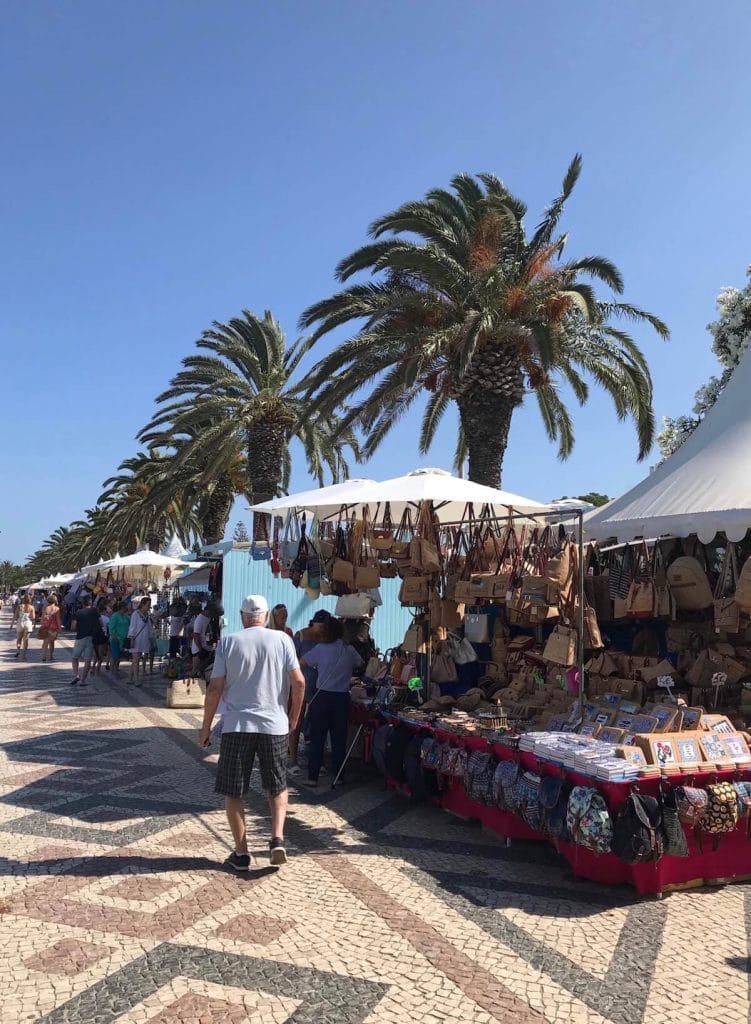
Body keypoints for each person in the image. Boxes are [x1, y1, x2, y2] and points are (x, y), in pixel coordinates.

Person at [198, 594, 305, 872]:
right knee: (277, 785)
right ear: (267, 616)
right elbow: (299, 682)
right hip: (275, 726)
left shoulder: (229, 642)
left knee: (234, 791)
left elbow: (214, 688)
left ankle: (242, 852)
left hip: (237, 726)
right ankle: (277, 839)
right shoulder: (283, 640)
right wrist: (293, 717)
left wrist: (206, 727)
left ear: (243, 616)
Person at [301, 617, 363, 789]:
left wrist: (317, 669)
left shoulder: (320, 649)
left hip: (322, 697)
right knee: (339, 739)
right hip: (342, 698)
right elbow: (360, 663)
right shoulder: (348, 650)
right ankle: (339, 775)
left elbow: (302, 661)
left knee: (317, 738)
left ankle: (313, 777)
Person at [289, 609, 331, 776]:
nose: (322, 630)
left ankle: (316, 760)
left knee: (317, 725)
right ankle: (292, 760)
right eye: (320, 626)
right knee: (296, 722)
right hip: (300, 686)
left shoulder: (327, 638)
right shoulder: (300, 636)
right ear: (313, 622)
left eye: (325, 627)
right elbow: (290, 662)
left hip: (320, 687)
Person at [70, 595, 100, 686]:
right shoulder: (95, 611)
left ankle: (77, 675)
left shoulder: (78, 612)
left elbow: (73, 627)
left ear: (83, 603)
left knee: (75, 657)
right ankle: (83, 680)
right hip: (91, 638)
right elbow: (100, 623)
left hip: (80, 638)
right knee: (88, 660)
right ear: (91, 603)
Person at [128, 597, 155, 686]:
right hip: (136, 639)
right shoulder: (135, 614)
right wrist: (131, 639)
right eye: (148, 605)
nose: (149, 607)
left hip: (144, 640)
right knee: (136, 660)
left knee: (136, 659)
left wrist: (151, 640)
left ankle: (130, 678)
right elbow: (132, 627)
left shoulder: (147, 615)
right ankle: (136, 680)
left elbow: (149, 628)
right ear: (142, 604)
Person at [191, 602, 214, 675]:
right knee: (195, 671)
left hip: (206, 648)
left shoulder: (208, 618)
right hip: (199, 650)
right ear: (206, 610)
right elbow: (195, 635)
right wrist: (200, 649)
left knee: (202, 671)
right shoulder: (200, 619)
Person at [108, 601, 130, 675]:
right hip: (116, 639)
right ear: (123, 607)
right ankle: (112, 671)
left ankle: (116, 669)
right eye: (126, 606)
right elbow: (111, 628)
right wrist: (114, 636)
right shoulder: (115, 616)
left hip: (124, 639)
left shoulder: (126, 616)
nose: (128, 608)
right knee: (114, 656)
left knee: (119, 656)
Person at [40, 594, 62, 662]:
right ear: (55, 600)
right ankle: (50, 656)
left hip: (46, 626)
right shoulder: (57, 609)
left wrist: (42, 624)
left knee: (45, 642)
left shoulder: (45, 608)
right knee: (51, 642)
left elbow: (42, 618)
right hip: (54, 628)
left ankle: (44, 656)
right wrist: (59, 627)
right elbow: (58, 619)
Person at [14, 593, 35, 660]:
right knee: (25, 640)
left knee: (19, 639)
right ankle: (24, 655)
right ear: (30, 600)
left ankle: (18, 651)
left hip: (20, 623)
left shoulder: (19, 606)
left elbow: (15, 616)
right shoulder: (31, 607)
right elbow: (33, 617)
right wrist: (33, 624)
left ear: (23, 599)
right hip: (28, 623)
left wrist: (12, 624)